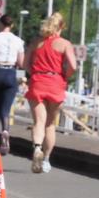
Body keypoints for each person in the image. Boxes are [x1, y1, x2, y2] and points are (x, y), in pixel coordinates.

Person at [25, 12, 77, 174]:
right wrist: (64, 76)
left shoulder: (36, 42)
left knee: (38, 122)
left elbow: (25, 63)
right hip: (55, 83)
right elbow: (73, 66)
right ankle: (46, 159)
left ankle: (37, 148)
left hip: (38, 82)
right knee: (50, 124)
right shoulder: (64, 44)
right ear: (61, 27)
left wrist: (33, 73)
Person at [0, 14, 26, 156]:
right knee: (5, 111)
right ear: (12, 25)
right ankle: (6, 131)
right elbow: (21, 63)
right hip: (10, 74)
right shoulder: (18, 41)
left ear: (0, 24)